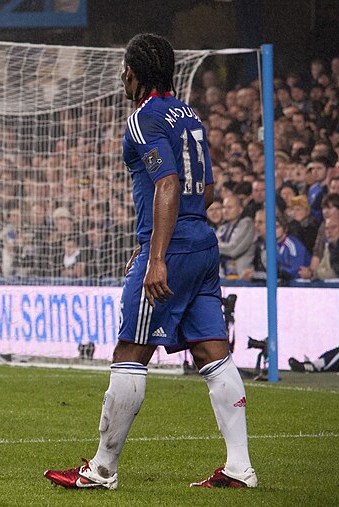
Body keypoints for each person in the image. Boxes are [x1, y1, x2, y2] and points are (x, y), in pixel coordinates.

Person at [44, 33, 256, 490]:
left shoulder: (143, 118)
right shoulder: (189, 115)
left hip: (173, 248)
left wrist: (155, 255)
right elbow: (206, 184)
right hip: (202, 243)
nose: (122, 75)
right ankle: (240, 466)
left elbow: (167, 183)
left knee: (131, 351)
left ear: (135, 73)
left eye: (125, 67)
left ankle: (101, 469)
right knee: (213, 352)